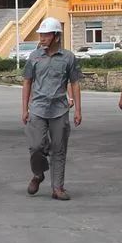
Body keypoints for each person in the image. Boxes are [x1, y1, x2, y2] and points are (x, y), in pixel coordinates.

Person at [21, 17, 82, 201]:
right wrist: (24, 109)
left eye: (46, 35)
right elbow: (27, 82)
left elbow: (75, 83)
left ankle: (58, 188)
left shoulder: (68, 57)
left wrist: (78, 110)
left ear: (56, 36)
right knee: (36, 146)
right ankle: (38, 174)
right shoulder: (34, 57)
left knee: (59, 149)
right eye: (41, 35)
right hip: (38, 109)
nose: (42, 38)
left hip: (59, 109)